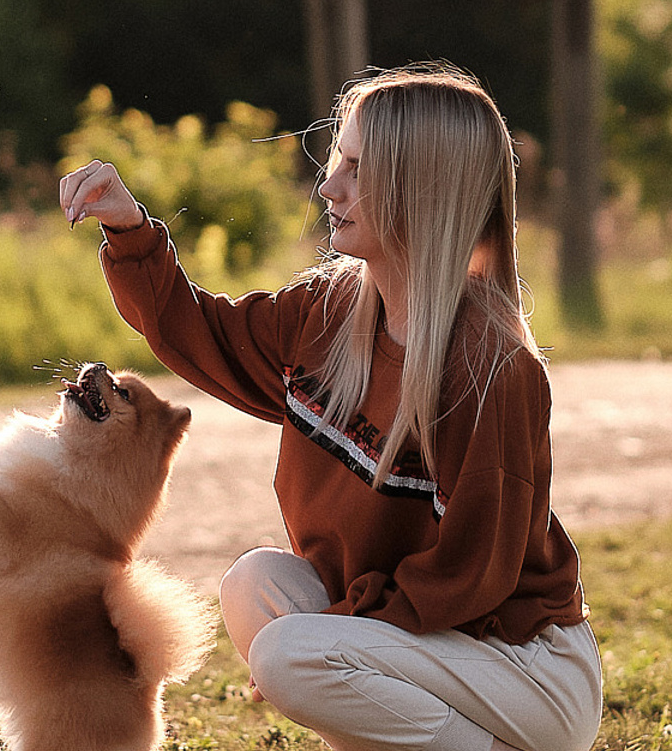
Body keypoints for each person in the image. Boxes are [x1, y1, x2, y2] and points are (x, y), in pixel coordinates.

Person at [59, 62, 602, 751]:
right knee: (254, 586)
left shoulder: (489, 367)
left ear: (420, 188)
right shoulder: (331, 314)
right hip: (422, 643)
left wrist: (328, 637)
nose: (328, 185)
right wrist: (129, 227)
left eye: (355, 167)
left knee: (290, 652)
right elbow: (206, 336)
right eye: (336, 160)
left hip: (522, 669)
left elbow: (468, 578)